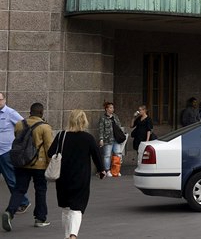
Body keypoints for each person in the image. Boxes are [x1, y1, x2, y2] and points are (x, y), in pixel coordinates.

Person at [49, 109, 106, 239]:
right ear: (84, 121)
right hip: (81, 177)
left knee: (65, 207)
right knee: (77, 207)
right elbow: (97, 156)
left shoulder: (61, 135)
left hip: (62, 177)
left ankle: (66, 235)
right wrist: (101, 170)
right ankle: (73, 235)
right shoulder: (88, 138)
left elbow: (50, 152)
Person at [2, 102, 53, 231]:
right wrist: (50, 164)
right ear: (41, 113)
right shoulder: (45, 127)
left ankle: (10, 212)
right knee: (40, 190)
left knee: (19, 189)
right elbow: (49, 148)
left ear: (30, 112)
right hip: (39, 164)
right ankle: (40, 218)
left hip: (21, 163)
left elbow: (18, 140)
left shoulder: (20, 124)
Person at [0, 92, 30, 214]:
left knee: (11, 179)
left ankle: (23, 202)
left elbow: (25, 127)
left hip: (6, 153)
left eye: (0, 99)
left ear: (4, 100)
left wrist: (18, 143)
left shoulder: (10, 113)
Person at [98, 102, 124, 177]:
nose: (112, 109)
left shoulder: (115, 116)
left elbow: (119, 126)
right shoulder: (103, 118)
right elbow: (101, 129)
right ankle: (107, 170)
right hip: (107, 139)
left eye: (113, 107)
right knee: (107, 155)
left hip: (116, 139)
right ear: (107, 109)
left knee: (117, 154)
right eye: (111, 108)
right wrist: (101, 139)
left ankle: (116, 170)